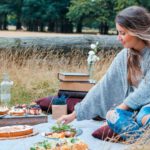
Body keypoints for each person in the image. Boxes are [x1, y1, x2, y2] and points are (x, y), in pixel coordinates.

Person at [58, 6, 150, 141]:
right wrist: (75, 114)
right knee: (112, 116)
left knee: (144, 116)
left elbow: (146, 88)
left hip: (146, 109)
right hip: (134, 111)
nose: (119, 38)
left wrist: (122, 107)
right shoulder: (124, 56)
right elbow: (104, 86)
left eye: (123, 33)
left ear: (137, 31)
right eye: (118, 33)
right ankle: (143, 142)